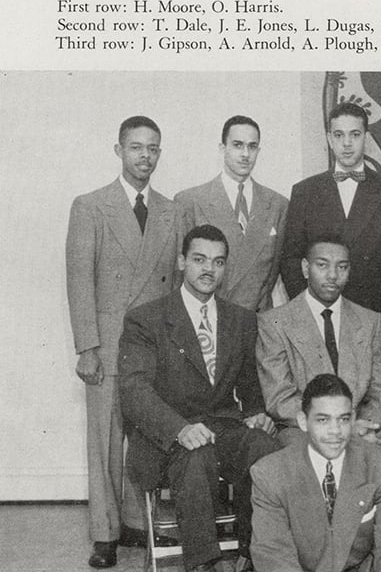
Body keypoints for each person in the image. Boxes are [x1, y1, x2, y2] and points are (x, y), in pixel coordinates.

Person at [118, 224, 281, 572]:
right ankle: (204, 564)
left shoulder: (241, 319)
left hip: (222, 427)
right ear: (181, 262)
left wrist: (256, 412)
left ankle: (256, 556)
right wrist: (180, 429)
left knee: (266, 450)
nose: (209, 269)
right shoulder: (145, 320)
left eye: (218, 262)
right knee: (197, 456)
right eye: (199, 259)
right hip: (165, 437)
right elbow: (134, 392)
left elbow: (249, 385)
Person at [66, 115, 181, 568]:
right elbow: (79, 281)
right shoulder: (90, 205)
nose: (145, 157)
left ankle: (136, 522)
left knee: (147, 439)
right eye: (136, 147)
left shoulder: (171, 210)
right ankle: (105, 534)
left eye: (153, 148)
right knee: (105, 443)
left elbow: (174, 288)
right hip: (109, 346)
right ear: (118, 150)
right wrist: (87, 347)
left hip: (153, 348)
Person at [256, 236, 381, 510]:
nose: (333, 275)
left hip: (362, 424)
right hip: (302, 429)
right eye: (323, 265)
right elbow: (279, 399)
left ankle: (366, 523)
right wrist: (341, 427)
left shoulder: (370, 321)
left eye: (342, 267)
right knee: (324, 467)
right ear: (306, 269)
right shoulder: (275, 323)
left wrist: (364, 426)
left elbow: (380, 394)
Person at [251, 374, 381, 572]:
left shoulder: (379, 464)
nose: (335, 431)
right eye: (323, 420)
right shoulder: (270, 473)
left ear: (353, 419)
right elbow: (273, 556)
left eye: (343, 419)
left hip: (362, 567)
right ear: (303, 421)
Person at [279, 102, 381, 358]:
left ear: (366, 137)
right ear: (329, 138)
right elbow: (291, 259)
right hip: (319, 316)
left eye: (355, 134)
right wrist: (309, 310)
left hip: (370, 318)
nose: (347, 144)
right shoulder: (304, 191)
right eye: (339, 135)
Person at [175, 115, 288, 312]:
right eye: (237, 145)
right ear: (222, 148)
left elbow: (272, 277)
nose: (245, 154)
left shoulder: (278, 204)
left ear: (258, 151)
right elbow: (181, 275)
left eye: (252, 147)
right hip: (207, 319)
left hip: (257, 324)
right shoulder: (190, 202)